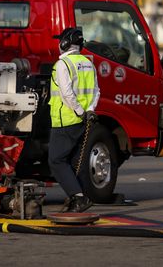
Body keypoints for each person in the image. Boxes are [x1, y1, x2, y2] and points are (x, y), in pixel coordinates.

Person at [48, 27, 100, 213]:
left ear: (65, 43)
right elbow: (96, 91)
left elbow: (67, 93)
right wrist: (89, 110)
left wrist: (78, 111)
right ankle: (74, 196)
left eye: (60, 40)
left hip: (65, 120)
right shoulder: (88, 64)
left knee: (56, 161)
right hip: (82, 121)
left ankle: (79, 198)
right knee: (71, 161)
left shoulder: (63, 64)